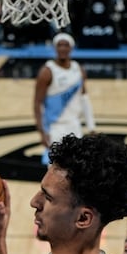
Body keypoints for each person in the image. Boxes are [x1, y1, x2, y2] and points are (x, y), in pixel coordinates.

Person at [34, 32, 96, 165]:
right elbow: (37, 103)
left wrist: (91, 127)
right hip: (55, 128)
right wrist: (42, 132)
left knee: (77, 170)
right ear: (55, 48)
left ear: (71, 48)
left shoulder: (79, 69)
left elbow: (84, 99)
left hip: (75, 126)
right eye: (59, 45)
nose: (62, 48)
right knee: (54, 171)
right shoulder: (47, 71)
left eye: (65, 45)